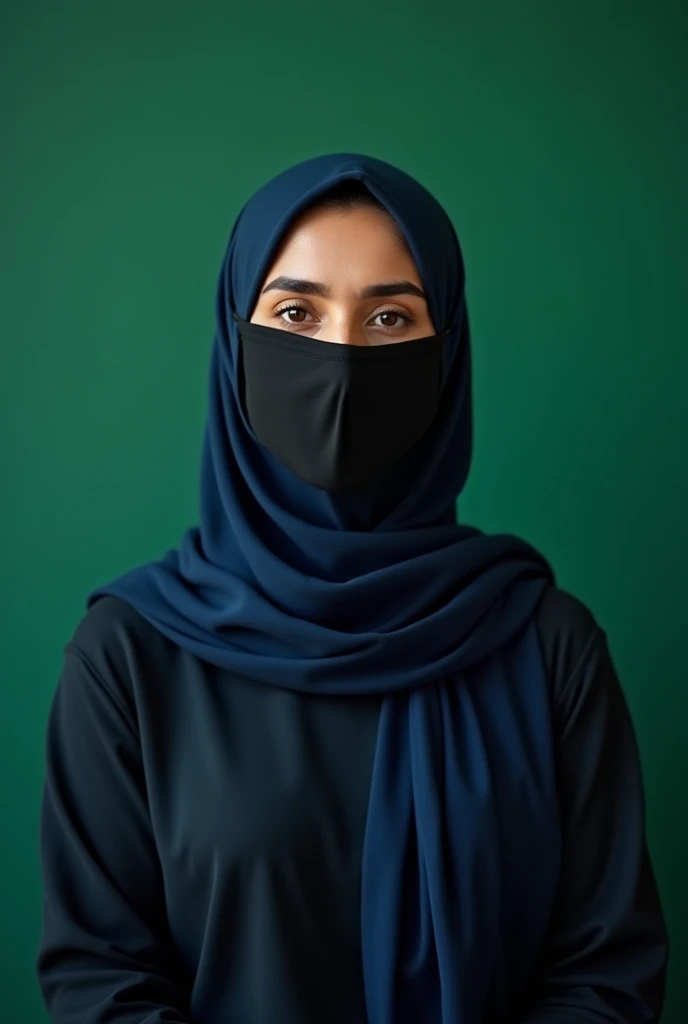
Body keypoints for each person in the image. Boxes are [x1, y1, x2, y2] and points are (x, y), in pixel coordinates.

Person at [36, 153, 668, 1024]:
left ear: (446, 355)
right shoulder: (130, 655)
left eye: (390, 318)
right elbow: (99, 979)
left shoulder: (544, 643)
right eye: (296, 312)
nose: (340, 361)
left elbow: (606, 973)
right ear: (235, 342)